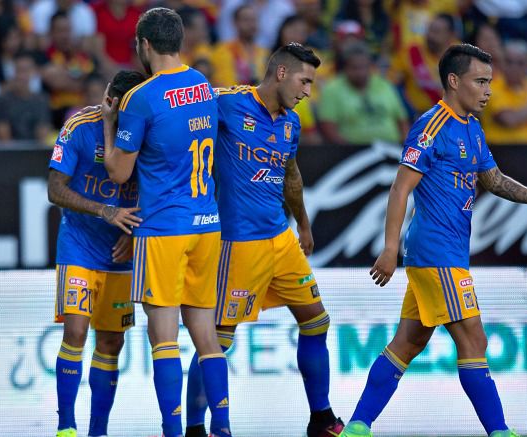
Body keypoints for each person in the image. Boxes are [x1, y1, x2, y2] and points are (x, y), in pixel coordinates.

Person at [340, 44, 527, 437]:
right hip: (437, 252)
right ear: (454, 81)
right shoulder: (432, 126)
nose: (488, 91)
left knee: (407, 344)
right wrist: (389, 248)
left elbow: (494, 181)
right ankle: (500, 433)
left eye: (490, 83)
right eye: (480, 82)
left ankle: (358, 427)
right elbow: (400, 189)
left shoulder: (472, 127)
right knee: (474, 339)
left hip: (445, 254)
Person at [184, 43, 345, 437]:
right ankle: (192, 428)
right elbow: (178, 108)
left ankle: (320, 419)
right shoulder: (227, 102)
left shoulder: (291, 123)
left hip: (281, 238)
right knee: (216, 341)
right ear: (280, 73)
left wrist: (303, 224)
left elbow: (290, 175)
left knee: (316, 321)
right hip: (237, 245)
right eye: (304, 81)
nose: (308, 91)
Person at [102, 8, 231, 437]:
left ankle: (173, 432)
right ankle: (223, 429)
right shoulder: (202, 85)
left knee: (165, 341)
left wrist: (108, 125)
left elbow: (119, 172)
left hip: (163, 229)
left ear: (144, 44)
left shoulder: (141, 97)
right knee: (207, 338)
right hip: (207, 223)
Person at [47, 69, 146, 437]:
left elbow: (165, 185)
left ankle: (98, 431)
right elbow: (55, 189)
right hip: (80, 244)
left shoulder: (147, 129)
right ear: (111, 102)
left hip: (122, 249)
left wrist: (137, 236)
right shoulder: (78, 126)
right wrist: (105, 211)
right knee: (75, 330)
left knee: (111, 341)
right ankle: (66, 427)